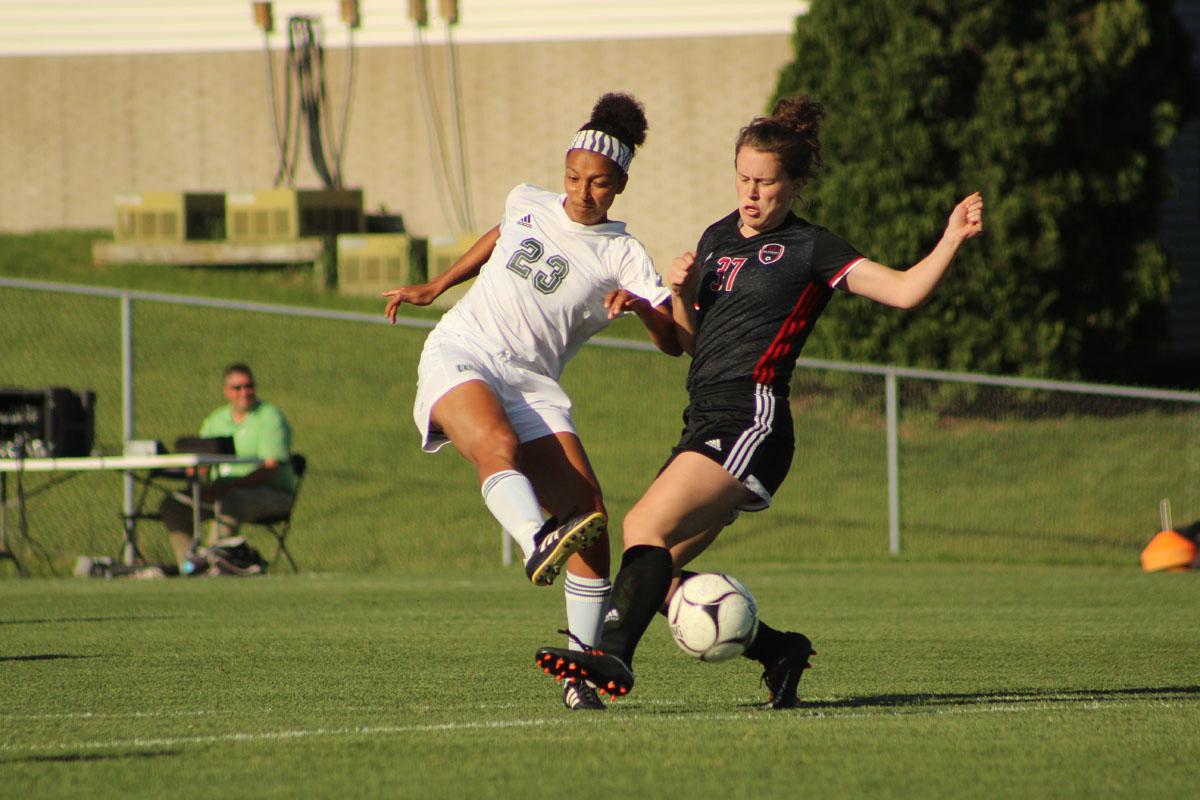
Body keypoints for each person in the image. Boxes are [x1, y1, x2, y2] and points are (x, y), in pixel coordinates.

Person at [536, 94, 984, 708]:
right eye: (743, 178)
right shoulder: (718, 237)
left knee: (641, 525)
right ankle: (779, 650)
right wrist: (677, 293)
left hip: (754, 418)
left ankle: (608, 659)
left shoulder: (811, 249)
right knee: (651, 569)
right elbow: (693, 344)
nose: (751, 193)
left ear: (795, 185)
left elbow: (905, 292)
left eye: (767, 183)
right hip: (704, 418)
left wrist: (951, 238)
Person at [383, 93, 680, 710]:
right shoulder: (528, 199)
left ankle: (579, 674)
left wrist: (645, 306)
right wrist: (438, 285)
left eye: (598, 183)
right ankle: (535, 538)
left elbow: (674, 342)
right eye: (574, 177)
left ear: (620, 184)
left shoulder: (624, 255)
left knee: (592, 521)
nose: (581, 192)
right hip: (464, 349)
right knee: (497, 446)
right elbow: (500, 233)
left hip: (532, 381)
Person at [158, 363, 296, 566]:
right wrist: (196, 478)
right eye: (237, 388)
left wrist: (228, 486)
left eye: (249, 386)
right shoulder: (216, 420)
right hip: (221, 490)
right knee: (172, 505)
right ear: (226, 391)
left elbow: (270, 468)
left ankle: (216, 564)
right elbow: (202, 460)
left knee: (230, 502)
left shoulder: (270, 417)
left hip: (270, 493)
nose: (244, 392)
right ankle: (190, 567)